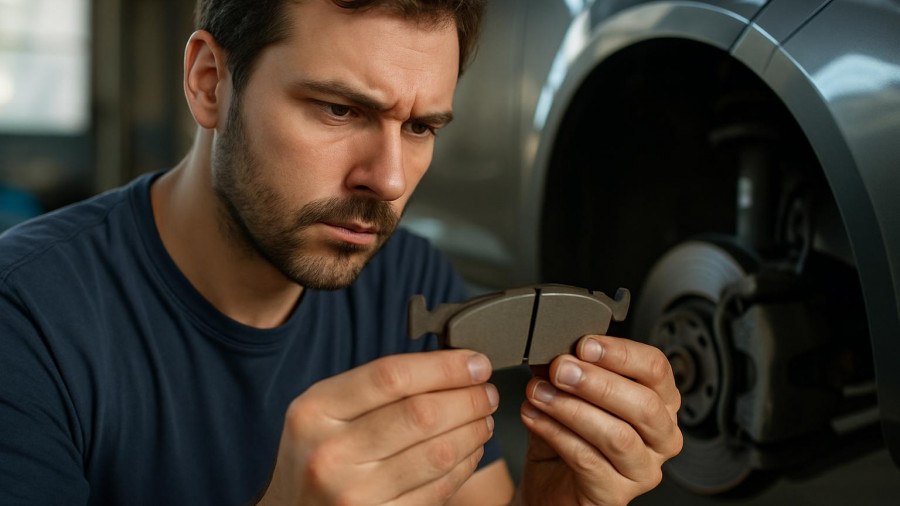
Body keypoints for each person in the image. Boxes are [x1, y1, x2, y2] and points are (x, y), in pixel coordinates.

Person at [0, 0, 683, 504]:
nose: (387, 180)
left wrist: (557, 498)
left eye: (419, 126)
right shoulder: (25, 319)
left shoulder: (410, 283)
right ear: (210, 82)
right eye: (339, 110)